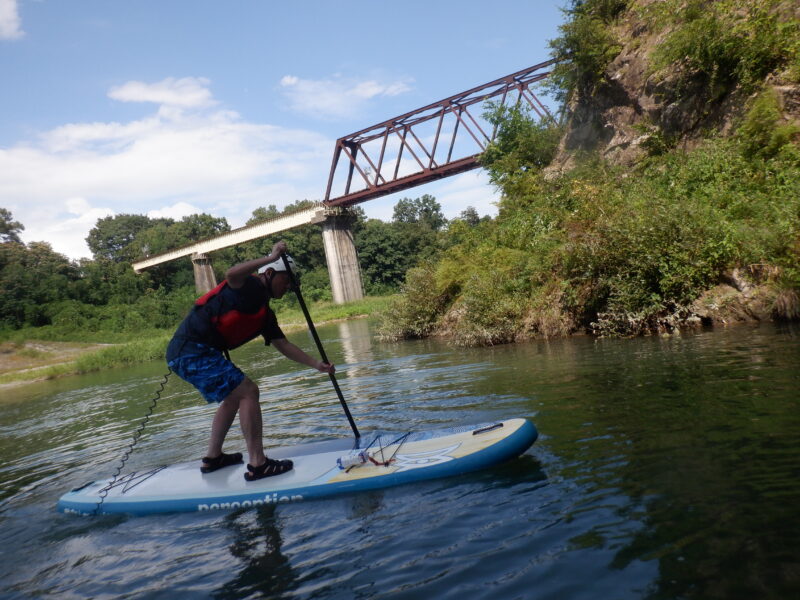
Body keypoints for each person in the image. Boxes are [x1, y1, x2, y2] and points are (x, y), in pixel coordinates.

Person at [165, 240, 335, 481]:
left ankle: (213, 458)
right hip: (191, 351)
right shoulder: (247, 286)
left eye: (290, 283)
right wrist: (272, 255)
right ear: (269, 273)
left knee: (233, 398)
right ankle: (258, 464)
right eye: (285, 280)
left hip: (195, 352)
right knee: (248, 391)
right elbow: (231, 273)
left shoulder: (265, 313)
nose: (287, 286)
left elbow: (283, 345)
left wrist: (317, 365)